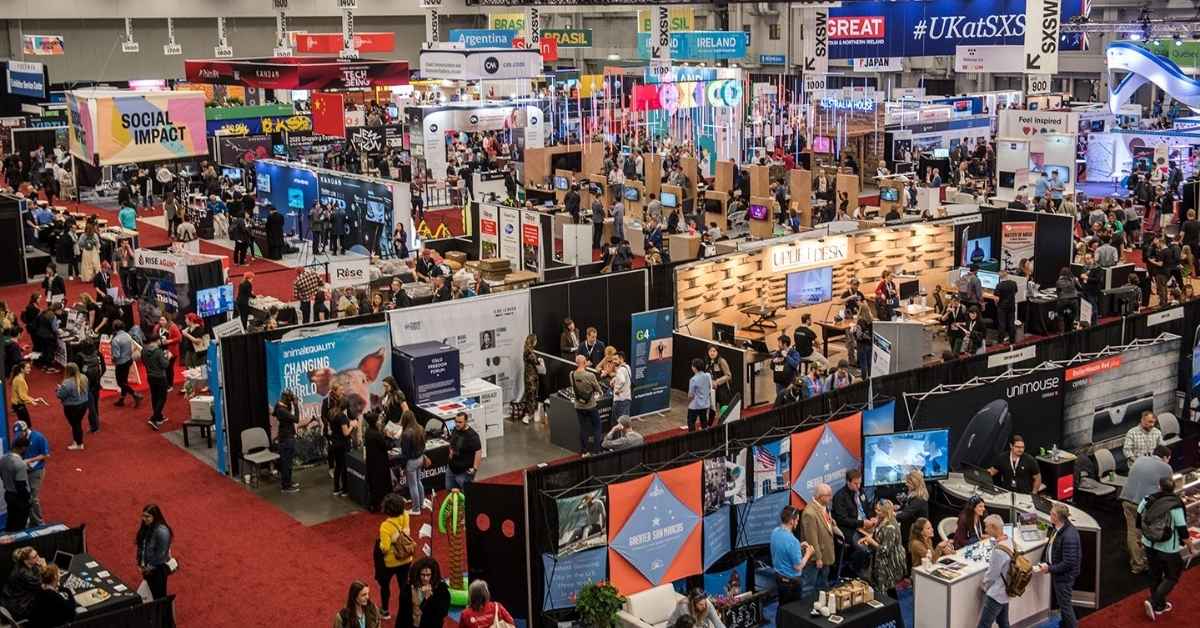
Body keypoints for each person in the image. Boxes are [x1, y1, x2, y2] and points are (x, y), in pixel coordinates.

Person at [1137, 476, 1187, 620]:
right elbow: (1182, 529)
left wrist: (1142, 538)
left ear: (1159, 486)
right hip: (1168, 548)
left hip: (1149, 543)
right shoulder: (1175, 504)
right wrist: (1190, 546)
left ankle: (1160, 606)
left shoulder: (1147, 499)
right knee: (1172, 576)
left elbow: (1139, 519)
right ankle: (1153, 602)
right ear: (1174, 488)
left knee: (1155, 574)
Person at [1120, 446, 1174, 575]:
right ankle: (1152, 563)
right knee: (1150, 533)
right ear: (1165, 457)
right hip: (1145, 505)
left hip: (1127, 500)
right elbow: (1168, 488)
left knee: (1132, 533)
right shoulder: (1166, 468)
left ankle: (1137, 565)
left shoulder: (1139, 459)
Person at [1035, 504, 1081, 628]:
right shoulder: (1059, 528)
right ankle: (1066, 624)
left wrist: (1049, 568)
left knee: (1065, 606)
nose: (1049, 515)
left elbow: (1068, 562)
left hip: (1065, 576)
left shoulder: (1069, 535)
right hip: (1059, 573)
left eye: (1051, 513)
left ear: (1056, 517)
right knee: (1063, 604)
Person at [375, 493, 413, 622]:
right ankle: (406, 611)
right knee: (404, 585)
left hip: (390, 563)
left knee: (385, 586)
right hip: (406, 559)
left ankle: (385, 611)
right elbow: (407, 532)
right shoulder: (406, 515)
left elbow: (384, 548)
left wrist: (382, 543)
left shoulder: (385, 526)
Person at [770, 505, 813, 617]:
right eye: (797, 520)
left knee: (782, 607)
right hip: (791, 583)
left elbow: (782, 549)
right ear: (792, 521)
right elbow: (798, 566)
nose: (797, 523)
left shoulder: (775, 531)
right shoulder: (792, 541)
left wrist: (798, 546)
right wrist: (808, 554)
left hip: (779, 577)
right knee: (793, 612)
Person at [832, 469, 874, 575]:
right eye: (856, 483)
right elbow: (842, 520)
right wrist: (861, 523)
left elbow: (867, 508)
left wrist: (871, 518)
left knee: (878, 542)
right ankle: (854, 572)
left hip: (865, 525)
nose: (858, 486)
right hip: (849, 528)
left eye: (859, 483)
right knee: (863, 549)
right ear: (848, 482)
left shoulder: (861, 492)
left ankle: (871, 572)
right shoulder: (840, 496)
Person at [860, 499, 906, 594]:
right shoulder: (881, 521)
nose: (876, 511)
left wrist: (871, 541)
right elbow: (877, 535)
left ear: (885, 512)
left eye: (879, 510)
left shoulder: (890, 527)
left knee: (885, 591)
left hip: (889, 564)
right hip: (881, 562)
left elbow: (884, 550)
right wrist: (867, 538)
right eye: (876, 509)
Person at [976, 514, 1013, 628]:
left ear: (993, 527)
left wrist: (984, 586)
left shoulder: (998, 550)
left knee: (983, 625)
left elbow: (992, 575)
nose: (985, 530)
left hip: (995, 594)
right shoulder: (1009, 540)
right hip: (1005, 591)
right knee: (1003, 623)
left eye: (987, 527)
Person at [800, 483, 836, 597]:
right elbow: (812, 538)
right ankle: (805, 610)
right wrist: (818, 558)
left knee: (822, 585)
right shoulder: (809, 513)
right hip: (816, 558)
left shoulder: (824, 507)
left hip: (826, 554)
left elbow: (826, 525)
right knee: (809, 587)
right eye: (828, 495)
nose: (831, 498)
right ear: (820, 497)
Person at [136, 504, 174, 604]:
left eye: (147, 516)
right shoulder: (146, 527)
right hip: (147, 569)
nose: (144, 519)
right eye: (143, 516)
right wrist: (140, 563)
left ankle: (163, 618)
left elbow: (161, 554)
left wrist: (149, 567)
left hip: (158, 570)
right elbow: (141, 545)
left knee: (159, 597)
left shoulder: (162, 531)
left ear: (155, 516)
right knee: (150, 595)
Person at [13, 422, 48, 527]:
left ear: (26, 430)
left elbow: (46, 455)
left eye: (20, 433)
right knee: (23, 496)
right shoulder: (17, 439)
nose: (18, 436)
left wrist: (29, 460)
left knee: (33, 498)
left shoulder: (38, 437)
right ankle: (28, 520)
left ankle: (39, 523)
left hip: (36, 471)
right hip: (23, 471)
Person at [570, 356, 603, 454]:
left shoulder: (571, 374)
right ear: (585, 362)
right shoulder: (590, 375)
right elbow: (598, 389)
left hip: (579, 406)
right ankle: (596, 450)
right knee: (597, 426)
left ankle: (584, 450)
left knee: (583, 428)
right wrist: (600, 392)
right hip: (590, 406)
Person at [2, 547, 44, 619]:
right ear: (26, 561)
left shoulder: (21, 565)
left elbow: (35, 574)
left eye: (37, 554)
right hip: (19, 607)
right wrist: (44, 566)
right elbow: (42, 583)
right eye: (35, 557)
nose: (38, 557)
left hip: (11, 602)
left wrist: (38, 567)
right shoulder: (24, 574)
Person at [28, 564, 75, 628]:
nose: (60, 574)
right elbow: (71, 609)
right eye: (59, 573)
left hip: (38, 622)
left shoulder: (40, 588)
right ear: (55, 577)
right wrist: (69, 592)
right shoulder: (54, 596)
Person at [54, 364, 89, 450]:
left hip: (72, 407)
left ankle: (79, 444)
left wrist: (58, 389)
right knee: (77, 423)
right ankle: (77, 441)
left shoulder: (67, 383)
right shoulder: (84, 377)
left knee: (75, 425)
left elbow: (60, 395)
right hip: (83, 404)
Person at [273, 391, 301, 494]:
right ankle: (285, 486)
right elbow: (296, 419)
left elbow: (273, 413)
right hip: (286, 439)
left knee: (288, 462)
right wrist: (296, 406)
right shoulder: (282, 410)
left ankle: (288, 482)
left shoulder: (278, 406)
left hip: (286, 437)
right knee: (286, 463)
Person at [0, 437, 31, 531]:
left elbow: (1, 474)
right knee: (20, 526)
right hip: (19, 499)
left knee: (11, 522)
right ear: (23, 448)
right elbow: (21, 486)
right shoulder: (20, 464)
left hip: (8, 495)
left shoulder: (2, 459)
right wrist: (27, 500)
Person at [410, 557, 451, 628]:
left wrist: (428, 599)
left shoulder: (442, 589)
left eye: (428, 575)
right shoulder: (412, 587)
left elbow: (443, 612)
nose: (425, 578)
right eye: (422, 575)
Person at [446, 411, 482, 489]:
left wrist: (475, 468)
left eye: (460, 422)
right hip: (451, 469)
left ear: (466, 421)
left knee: (466, 494)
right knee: (450, 489)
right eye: (456, 421)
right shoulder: (455, 429)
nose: (457, 424)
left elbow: (478, 452)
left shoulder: (472, 436)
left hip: (464, 472)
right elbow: (452, 442)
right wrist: (451, 452)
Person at [142, 335, 171, 431]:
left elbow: (143, 361)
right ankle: (154, 418)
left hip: (150, 377)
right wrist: (168, 357)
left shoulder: (144, 350)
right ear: (157, 340)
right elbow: (165, 365)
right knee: (162, 398)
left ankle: (158, 416)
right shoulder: (158, 352)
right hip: (160, 377)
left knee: (154, 396)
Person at [896, 469, 930, 540]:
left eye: (908, 482)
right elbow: (909, 507)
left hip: (914, 534)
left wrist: (890, 514)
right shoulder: (914, 494)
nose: (906, 484)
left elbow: (904, 516)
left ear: (914, 484)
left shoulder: (919, 500)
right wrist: (901, 505)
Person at [328, 397, 352, 497]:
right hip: (343, 445)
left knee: (338, 466)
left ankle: (336, 488)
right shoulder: (342, 416)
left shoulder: (332, 413)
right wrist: (352, 425)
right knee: (344, 467)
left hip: (335, 443)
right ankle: (345, 490)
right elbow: (346, 433)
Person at [10, 361, 44, 428]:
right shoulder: (20, 380)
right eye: (27, 368)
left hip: (17, 404)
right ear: (22, 369)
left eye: (30, 368)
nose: (30, 370)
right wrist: (32, 401)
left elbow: (22, 395)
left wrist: (34, 399)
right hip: (19, 405)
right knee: (27, 426)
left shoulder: (18, 377)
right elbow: (22, 396)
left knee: (25, 425)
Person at [703, 345, 733, 416]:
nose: (712, 353)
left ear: (717, 352)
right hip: (712, 389)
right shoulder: (708, 361)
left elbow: (729, 375)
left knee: (724, 409)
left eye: (714, 351)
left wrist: (717, 382)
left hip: (722, 388)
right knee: (712, 408)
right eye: (710, 351)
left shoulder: (721, 361)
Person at [686, 358, 713, 432]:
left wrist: (688, 401)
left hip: (694, 406)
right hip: (705, 404)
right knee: (704, 422)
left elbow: (690, 395)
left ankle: (692, 437)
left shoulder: (693, 379)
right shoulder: (707, 376)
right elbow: (710, 387)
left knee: (691, 422)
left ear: (694, 368)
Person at [610, 351, 632, 422]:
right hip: (627, 398)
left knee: (617, 423)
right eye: (613, 359)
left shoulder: (620, 370)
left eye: (616, 359)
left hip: (620, 400)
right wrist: (615, 379)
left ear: (621, 359)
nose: (614, 361)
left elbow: (622, 380)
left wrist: (617, 390)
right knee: (625, 421)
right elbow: (624, 378)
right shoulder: (627, 367)